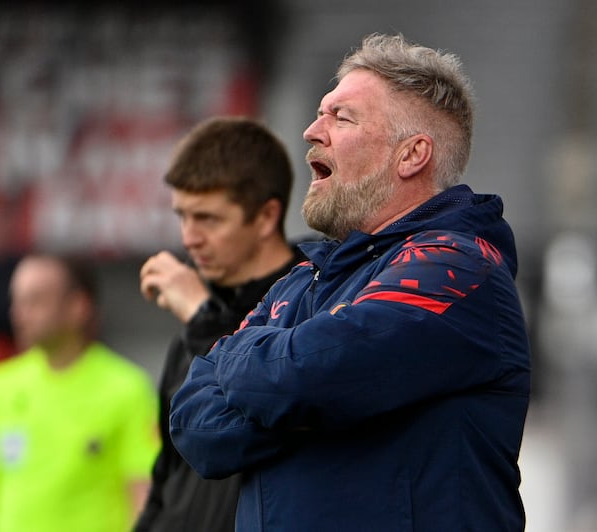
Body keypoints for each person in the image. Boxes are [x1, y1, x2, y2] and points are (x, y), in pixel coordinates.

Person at [169, 33, 532, 531]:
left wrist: (238, 358)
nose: (311, 131)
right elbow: (195, 427)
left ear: (412, 155)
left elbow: (305, 376)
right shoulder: (299, 282)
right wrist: (306, 396)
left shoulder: (459, 269)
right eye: (321, 113)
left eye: (341, 117)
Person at [136, 116, 305, 532]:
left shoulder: (312, 303)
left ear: (266, 217)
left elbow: (262, 416)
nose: (189, 238)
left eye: (208, 219)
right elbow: (168, 476)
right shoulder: (201, 318)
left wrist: (203, 318)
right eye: (183, 216)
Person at [0, 253, 160, 532]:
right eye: (18, 300)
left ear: (78, 307)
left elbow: (142, 498)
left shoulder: (127, 390)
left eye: (36, 301)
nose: (19, 313)